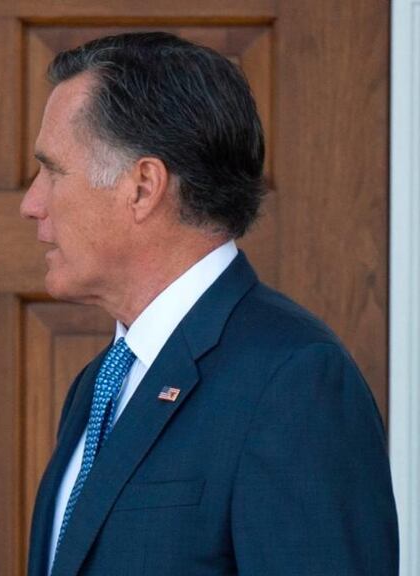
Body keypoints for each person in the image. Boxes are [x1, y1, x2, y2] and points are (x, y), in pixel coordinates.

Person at [21, 32, 397, 575]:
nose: (32, 203)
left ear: (143, 186)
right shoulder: (101, 382)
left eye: (52, 171)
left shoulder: (293, 381)